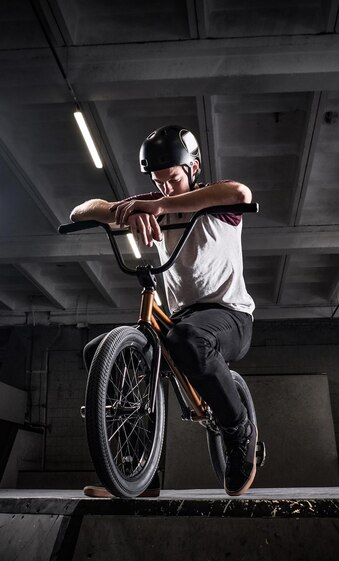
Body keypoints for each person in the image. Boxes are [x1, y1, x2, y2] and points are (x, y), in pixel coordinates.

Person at [70, 125, 257, 497]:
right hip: (180, 318)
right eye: (158, 183)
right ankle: (139, 476)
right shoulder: (150, 200)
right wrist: (125, 210)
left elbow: (241, 192)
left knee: (187, 339)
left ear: (193, 168)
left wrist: (158, 205)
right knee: (100, 352)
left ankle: (240, 433)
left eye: (171, 178)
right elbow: (81, 211)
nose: (165, 188)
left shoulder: (216, 203)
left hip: (230, 315)